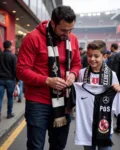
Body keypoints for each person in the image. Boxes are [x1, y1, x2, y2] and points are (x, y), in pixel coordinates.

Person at [16, 6, 81, 150]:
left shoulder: (73, 39)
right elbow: (21, 71)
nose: (68, 34)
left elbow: (77, 63)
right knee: (35, 146)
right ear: (53, 24)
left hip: (64, 102)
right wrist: (47, 80)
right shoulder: (32, 38)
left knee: (58, 146)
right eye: (64, 30)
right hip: (38, 102)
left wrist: (73, 74)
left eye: (71, 30)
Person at [76, 40, 120, 150]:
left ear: (104, 56)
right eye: (89, 56)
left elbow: (117, 97)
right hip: (86, 125)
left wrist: (119, 91)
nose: (92, 59)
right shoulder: (82, 73)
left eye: (96, 56)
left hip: (104, 124)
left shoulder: (112, 75)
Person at [0, 40, 17, 121]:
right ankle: (9, 113)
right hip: (10, 80)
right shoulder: (13, 57)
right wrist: (17, 80)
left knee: (0, 98)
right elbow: (15, 70)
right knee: (10, 97)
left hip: (0, 80)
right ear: (10, 47)